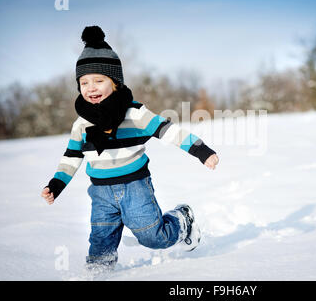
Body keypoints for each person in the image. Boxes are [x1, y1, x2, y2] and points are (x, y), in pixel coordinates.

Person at [40, 25, 219, 271]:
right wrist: (56, 184)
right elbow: (71, 156)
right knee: (100, 243)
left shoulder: (134, 113)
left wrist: (201, 151)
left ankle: (182, 220)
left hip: (135, 186)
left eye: (98, 80)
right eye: (84, 82)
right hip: (100, 192)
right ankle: (100, 273)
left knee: (154, 237)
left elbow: (169, 131)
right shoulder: (82, 123)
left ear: (114, 82)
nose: (90, 87)